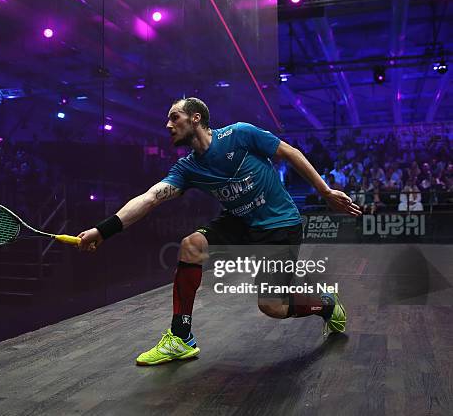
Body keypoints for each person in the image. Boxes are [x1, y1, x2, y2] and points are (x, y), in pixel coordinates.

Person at [77, 98, 362, 365]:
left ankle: (325, 304)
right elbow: (150, 197)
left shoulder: (239, 134)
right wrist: (103, 231)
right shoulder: (187, 168)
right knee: (191, 244)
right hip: (238, 221)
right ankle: (181, 337)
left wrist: (324, 191)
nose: (167, 125)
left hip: (279, 224)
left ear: (196, 118)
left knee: (273, 307)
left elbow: (289, 152)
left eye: (174, 118)